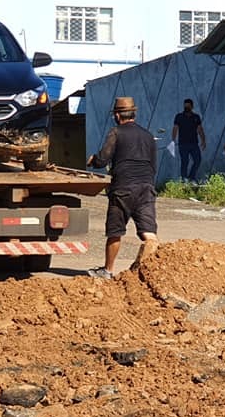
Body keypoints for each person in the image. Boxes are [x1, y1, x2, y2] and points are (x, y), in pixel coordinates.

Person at [85, 96, 158, 280]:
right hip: (146, 188)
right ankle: (153, 273)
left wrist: (93, 160)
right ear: (134, 113)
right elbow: (153, 165)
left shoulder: (116, 133)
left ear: (117, 115)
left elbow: (103, 159)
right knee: (149, 233)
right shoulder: (149, 136)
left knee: (115, 232)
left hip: (123, 189)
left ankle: (107, 270)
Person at [171, 98, 206, 181]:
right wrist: (173, 140)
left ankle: (191, 177)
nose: (186, 107)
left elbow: (200, 129)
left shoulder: (196, 117)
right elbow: (175, 128)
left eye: (188, 106)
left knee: (197, 160)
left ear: (192, 106)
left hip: (194, 143)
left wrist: (203, 140)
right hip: (183, 144)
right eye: (185, 106)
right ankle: (184, 180)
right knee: (185, 162)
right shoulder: (179, 116)